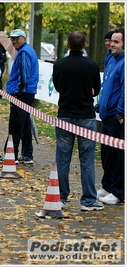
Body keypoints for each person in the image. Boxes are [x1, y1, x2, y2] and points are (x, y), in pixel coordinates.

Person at [53, 30, 103, 211]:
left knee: (63, 158)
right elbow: (96, 90)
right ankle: (88, 200)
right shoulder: (91, 65)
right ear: (84, 46)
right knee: (87, 159)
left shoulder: (59, 64)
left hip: (65, 115)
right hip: (86, 116)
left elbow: (58, 86)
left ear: (67, 45)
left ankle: (60, 197)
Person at [97, 28, 125, 205]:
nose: (111, 44)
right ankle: (107, 186)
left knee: (118, 155)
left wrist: (120, 112)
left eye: (116, 42)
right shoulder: (111, 59)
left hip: (116, 117)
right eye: (111, 41)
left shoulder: (124, 63)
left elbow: (124, 90)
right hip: (106, 115)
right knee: (106, 154)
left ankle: (118, 191)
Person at [3, 29, 38, 164]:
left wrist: (17, 92)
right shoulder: (27, 50)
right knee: (24, 123)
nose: (14, 41)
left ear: (24, 38)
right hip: (27, 92)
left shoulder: (24, 53)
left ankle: (12, 154)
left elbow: (24, 76)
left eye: (17, 38)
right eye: (12, 39)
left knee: (16, 124)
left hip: (22, 93)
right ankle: (27, 154)